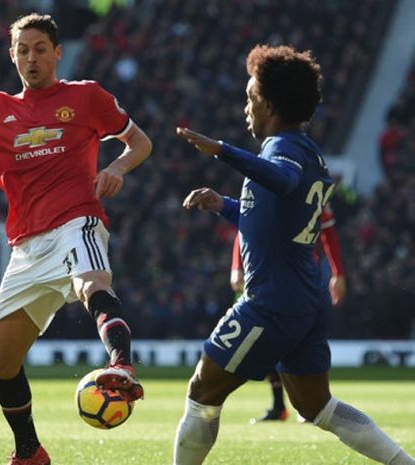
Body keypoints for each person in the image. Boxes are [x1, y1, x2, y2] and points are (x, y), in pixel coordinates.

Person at [0, 13, 152, 465]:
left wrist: (116, 168)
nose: (31, 58)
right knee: (0, 363)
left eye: (40, 48)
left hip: (76, 221)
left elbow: (140, 142)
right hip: (26, 246)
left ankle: (121, 364)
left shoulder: (86, 97)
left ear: (57, 52)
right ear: (12, 56)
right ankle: (29, 451)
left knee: (91, 284)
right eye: (22, 50)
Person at [173, 45, 414, 465]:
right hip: (305, 298)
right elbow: (275, 212)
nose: (246, 109)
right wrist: (224, 204)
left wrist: (223, 150)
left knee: (201, 392)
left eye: (250, 100)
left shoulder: (281, 148)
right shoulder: (307, 149)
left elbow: (283, 181)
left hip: (270, 302)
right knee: (317, 406)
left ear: (268, 104)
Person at [229, 204, 347, 423]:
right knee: (267, 342)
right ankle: (281, 405)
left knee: (300, 341)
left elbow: (328, 231)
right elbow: (244, 225)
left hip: (301, 278)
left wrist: (338, 273)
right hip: (265, 278)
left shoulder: (312, 187)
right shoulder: (264, 185)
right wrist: (237, 266)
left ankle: (311, 402)